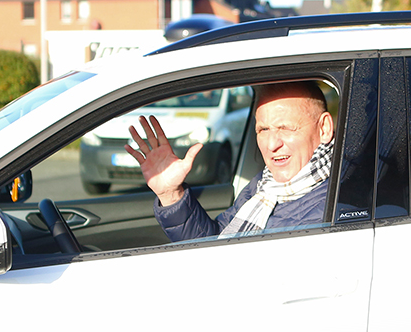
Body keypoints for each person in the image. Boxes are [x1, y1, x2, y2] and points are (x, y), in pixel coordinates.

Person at [125, 81, 335, 240]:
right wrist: (172, 194)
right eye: (263, 129)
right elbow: (214, 244)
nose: (272, 145)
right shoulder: (264, 186)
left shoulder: (335, 203)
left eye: (286, 128)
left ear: (324, 128)